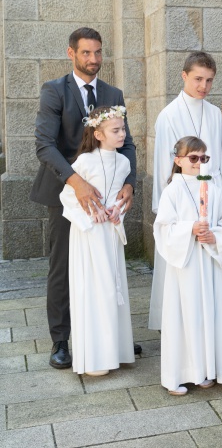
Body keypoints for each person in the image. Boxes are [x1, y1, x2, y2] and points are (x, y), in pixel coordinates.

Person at [31, 27, 138, 370]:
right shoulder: (54, 91)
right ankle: (61, 339)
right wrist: (77, 182)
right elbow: (44, 145)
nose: (94, 60)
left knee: (108, 265)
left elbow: (128, 143)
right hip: (67, 194)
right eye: (86, 53)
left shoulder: (113, 92)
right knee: (63, 265)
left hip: (107, 195)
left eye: (98, 53)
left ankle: (112, 334)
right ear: (71, 53)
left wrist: (130, 183)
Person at [150, 51, 222, 331]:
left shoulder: (214, 114)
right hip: (182, 200)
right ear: (184, 76)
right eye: (198, 79)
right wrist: (164, 206)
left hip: (211, 196)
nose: (204, 86)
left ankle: (219, 322)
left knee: (217, 259)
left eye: (210, 81)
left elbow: (218, 160)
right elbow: (164, 164)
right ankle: (180, 324)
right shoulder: (169, 116)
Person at [153, 136, 222, 396]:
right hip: (186, 264)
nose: (199, 163)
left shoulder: (212, 186)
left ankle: (207, 369)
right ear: (178, 160)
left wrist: (215, 236)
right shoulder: (173, 190)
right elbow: (163, 228)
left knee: (209, 312)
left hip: (208, 258)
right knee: (185, 315)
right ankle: (181, 373)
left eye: (204, 158)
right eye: (193, 158)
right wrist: (190, 228)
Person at [59, 106, 134, 376]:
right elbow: (67, 197)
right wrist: (93, 214)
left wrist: (117, 212)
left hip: (110, 234)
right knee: (93, 288)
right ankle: (95, 357)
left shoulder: (124, 163)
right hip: (89, 234)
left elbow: (120, 197)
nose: (122, 134)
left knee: (112, 287)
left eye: (123, 129)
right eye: (115, 130)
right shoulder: (84, 163)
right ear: (98, 134)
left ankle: (115, 350)